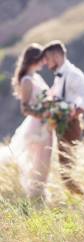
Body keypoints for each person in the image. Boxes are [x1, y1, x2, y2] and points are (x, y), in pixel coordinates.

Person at [0, 43, 53, 199]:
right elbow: (25, 109)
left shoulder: (37, 77)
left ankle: (39, 192)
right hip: (36, 125)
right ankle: (35, 192)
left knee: (45, 158)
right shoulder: (27, 81)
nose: (45, 62)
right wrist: (44, 114)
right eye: (43, 59)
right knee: (36, 158)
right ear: (35, 59)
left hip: (46, 123)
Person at [42, 40, 84, 195]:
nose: (46, 63)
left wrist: (73, 113)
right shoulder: (59, 75)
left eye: (48, 59)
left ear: (57, 56)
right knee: (65, 168)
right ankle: (79, 200)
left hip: (70, 125)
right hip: (60, 124)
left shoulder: (74, 74)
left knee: (66, 170)